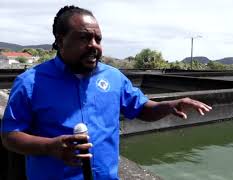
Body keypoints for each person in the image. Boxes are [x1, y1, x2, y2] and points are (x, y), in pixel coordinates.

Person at [1, 5, 212, 180]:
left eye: (98, 39)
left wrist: (169, 106)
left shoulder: (114, 77)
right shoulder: (29, 83)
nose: (94, 46)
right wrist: (50, 147)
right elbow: (10, 136)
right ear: (60, 39)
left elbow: (141, 109)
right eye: (84, 38)